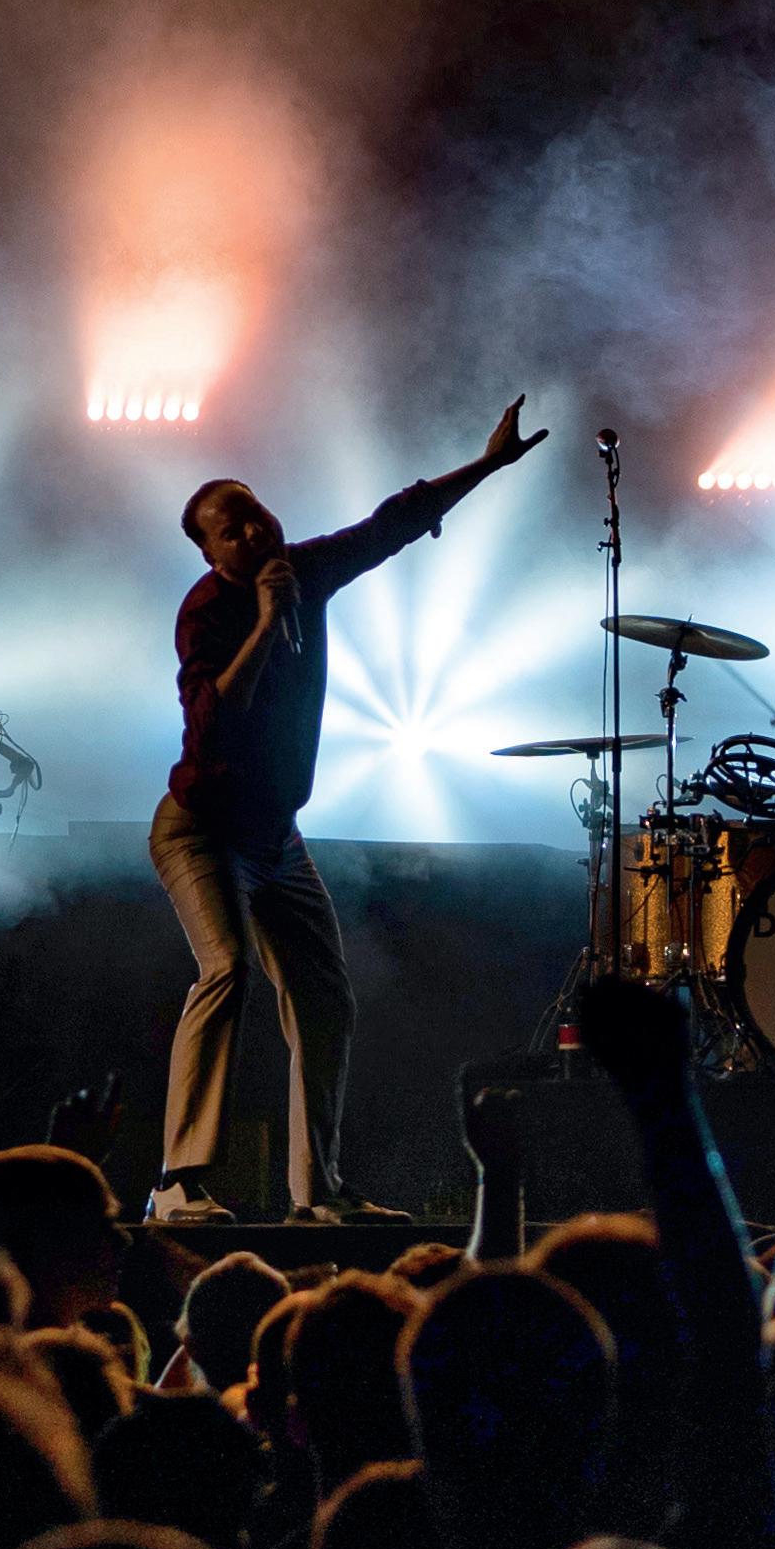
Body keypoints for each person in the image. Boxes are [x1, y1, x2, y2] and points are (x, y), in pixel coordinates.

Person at [143, 397, 549, 1224]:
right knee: (226, 971)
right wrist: (267, 621)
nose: (253, 532)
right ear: (209, 553)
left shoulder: (305, 568)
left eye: (255, 513)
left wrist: (487, 464)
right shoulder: (207, 611)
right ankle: (176, 1183)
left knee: (324, 1001)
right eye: (232, 530)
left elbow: (388, 525)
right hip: (201, 831)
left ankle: (318, 1193)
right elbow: (213, 719)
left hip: (275, 838)